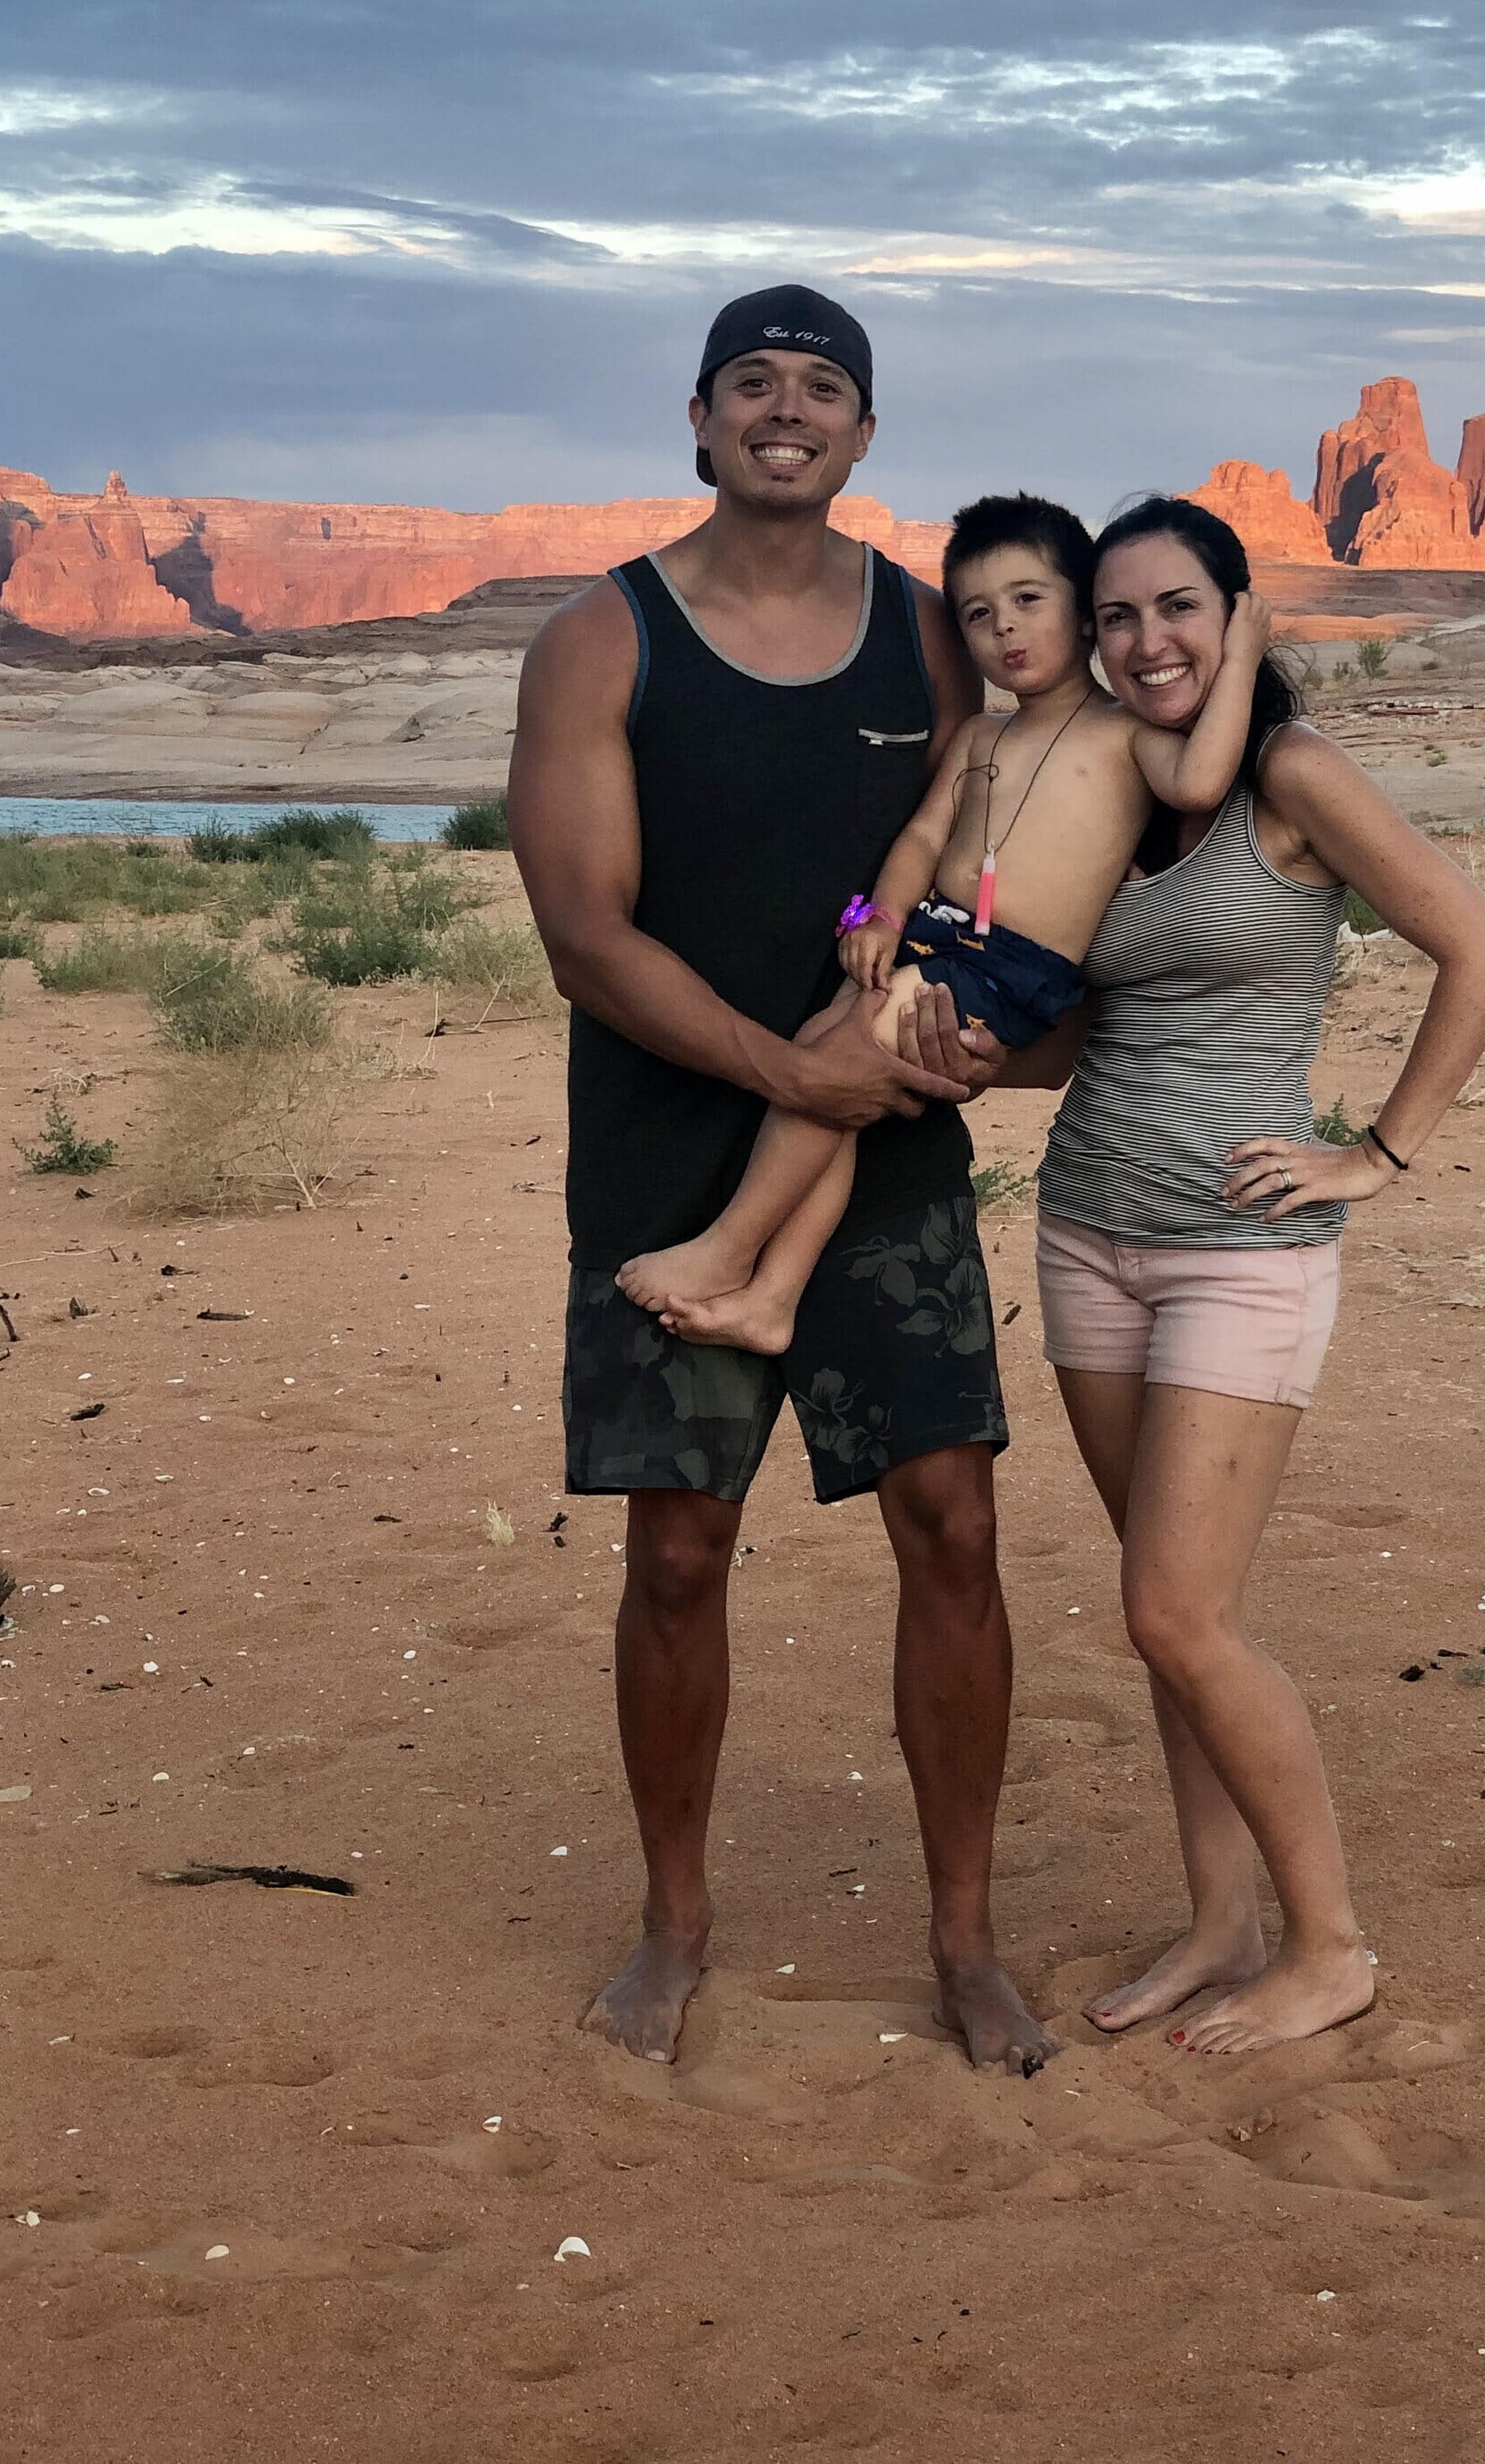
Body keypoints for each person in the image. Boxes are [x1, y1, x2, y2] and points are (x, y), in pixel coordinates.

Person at [507, 283, 1055, 2076]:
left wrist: (990, 1038)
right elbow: (585, 934)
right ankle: (673, 1923)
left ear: (864, 438)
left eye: (822, 387)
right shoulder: (601, 642)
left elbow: (1004, 866)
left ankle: (965, 1938)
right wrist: (778, 1063)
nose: (786, 408)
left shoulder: (927, 641)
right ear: (697, 419)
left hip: (885, 1160)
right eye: (754, 382)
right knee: (677, 1553)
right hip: (665, 1154)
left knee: (954, 1528)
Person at [1014, 495, 1485, 2056]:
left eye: (1179, 607)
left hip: (1243, 1254)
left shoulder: (1293, 780)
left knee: (1178, 1613)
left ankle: (1330, 1944)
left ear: (1240, 616)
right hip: (1087, 1229)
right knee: (1168, 1608)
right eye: (1117, 616)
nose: (1147, 641)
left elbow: (1482, 948)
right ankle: (1221, 1920)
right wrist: (941, 1031)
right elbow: (1076, 1035)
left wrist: (1377, 1149)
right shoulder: (1100, 794)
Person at [612, 490, 1272, 1355]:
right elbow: (922, 835)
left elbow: (1198, 783)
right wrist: (876, 913)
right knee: (827, 1061)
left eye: (1029, 600)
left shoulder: (1123, 732)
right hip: (935, 938)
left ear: (1084, 610)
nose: (1005, 628)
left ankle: (724, 1252)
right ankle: (774, 1296)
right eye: (978, 613)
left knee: (839, 1058)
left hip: (1012, 964)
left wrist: (1245, 651)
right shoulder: (979, 740)